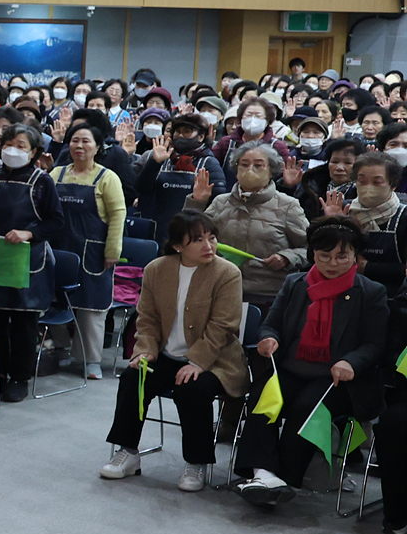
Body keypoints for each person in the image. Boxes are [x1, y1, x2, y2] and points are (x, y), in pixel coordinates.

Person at [234, 218, 390, 507]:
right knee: (263, 395)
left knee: (308, 406)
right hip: (291, 367)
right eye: (324, 256)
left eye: (342, 256)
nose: (333, 263)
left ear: (355, 255)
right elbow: (271, 326)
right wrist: (270, 339)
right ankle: (264, 473)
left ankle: (283, 477)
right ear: (312, 255)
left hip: (337, 379)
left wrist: (350, 362)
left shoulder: (370, 292)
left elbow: (374, 344)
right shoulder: (295, 283)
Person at [99, 211, 246, 490]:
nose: (209, 247)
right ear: (178, 245)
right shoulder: (157, 269)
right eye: (198, 240)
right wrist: (145, 351)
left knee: (193, 387)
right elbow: (148, 319)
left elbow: (223, 326)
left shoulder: (228, 274)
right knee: (134, 377)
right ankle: (128, 452)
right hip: (166, 355)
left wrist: (197, 362)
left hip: (215, 360)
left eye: (212, 238)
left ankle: (196, 462)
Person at [0, 122, 62, 401]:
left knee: (23, 325)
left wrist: (29, 232)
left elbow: (56, 222)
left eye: (21, 146)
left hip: (26, 261)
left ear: (33, 152)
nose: (13, 150)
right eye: (8, 144)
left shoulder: (42, 181)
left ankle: (20, 377)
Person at [49, 121, 125, 381]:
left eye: (85, 141)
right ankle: (60, 348)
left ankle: (90, 360)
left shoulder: (107, 177)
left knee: (91, 307)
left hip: (92, 251)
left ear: (97, 146)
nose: (79, 146)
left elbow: (117, 215)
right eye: (74, 141)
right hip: (58, 249)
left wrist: (112, 250)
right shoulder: (56, 174)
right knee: (54, 299)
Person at [201, 142, 310, 312]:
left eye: (258, 165)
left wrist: (287, 257)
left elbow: (309, 247)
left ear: (271, 170)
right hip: (222, 288)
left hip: (268, 294)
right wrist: (196, 202)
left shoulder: (288, 205)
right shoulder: (220, 202)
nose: (250, 169)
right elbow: (194, 238)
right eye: (244, 164)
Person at [135, 109, 227, 235]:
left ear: (200, 137)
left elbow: (219, 201)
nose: (181, 136)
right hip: (158, 229)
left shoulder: (208, 163)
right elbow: (142, 189)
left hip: (192, 231)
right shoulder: (163, 158)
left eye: (187, 132)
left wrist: (200, 200)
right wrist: (154, 163)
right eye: (177, 132)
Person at [338, 150, 407, 294]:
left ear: (392, 184)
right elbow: (315, 257)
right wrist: (333, 224)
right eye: (362, 181)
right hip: (346, 295)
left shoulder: (403, 217)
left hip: (392, 298)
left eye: (377, 182)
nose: (368, 187)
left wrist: (368, 267)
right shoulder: (342, 209)